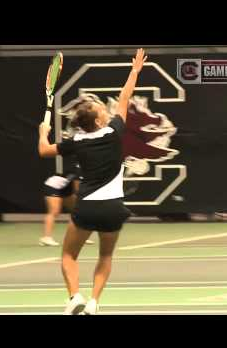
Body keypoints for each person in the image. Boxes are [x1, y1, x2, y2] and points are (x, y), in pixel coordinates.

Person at [38, 48, 147, 315]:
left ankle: (75, 296)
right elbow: (124, 97)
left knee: (68, 255)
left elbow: (44, 150)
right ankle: (94, 302)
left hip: (86, 207)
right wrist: (134, 70)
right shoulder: (114, 132)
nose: (107, 112)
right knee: (106, 255)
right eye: (102, 110)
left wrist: (43, 132)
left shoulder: (76, 141)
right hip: (113, 208)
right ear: (99, 120)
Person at [40, 171, 94, 247]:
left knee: (78, 210)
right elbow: (77, 189)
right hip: (53, 186)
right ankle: (46, 238)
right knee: (54, 211)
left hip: (66, 187)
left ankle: (80, 236)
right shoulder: (80, 170)